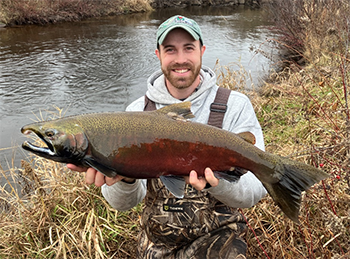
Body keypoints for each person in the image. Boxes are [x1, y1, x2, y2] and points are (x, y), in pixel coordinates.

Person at [68, 15, 267, 259]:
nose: (180, 59)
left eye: (189, 48)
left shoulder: (234, 105)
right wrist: (124, 178)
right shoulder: (134, 113)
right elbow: (122, 204)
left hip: (220, 241)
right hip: (156, 245)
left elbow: (253, 193)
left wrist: (219, 181)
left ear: (202, 51)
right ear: (158, 54)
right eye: (170, 49)